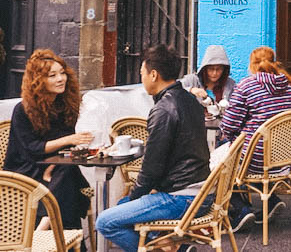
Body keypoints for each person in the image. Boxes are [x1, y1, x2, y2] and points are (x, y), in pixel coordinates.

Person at [96, 45, 211, 252]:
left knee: (105, 222)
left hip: (181, 197)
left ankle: (161, 248)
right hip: (199, 191)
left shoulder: (164, 110)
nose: (142, 79)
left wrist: (136, 196)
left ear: (154, 74)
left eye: (142, 74)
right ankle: (170, 245)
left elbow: (151, 168)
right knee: (123, 205)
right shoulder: (190, 100)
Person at [4, 50, 93, 237]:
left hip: (55, 167)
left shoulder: (65, 105)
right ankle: (51, 230)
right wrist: (68, 141)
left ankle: (42, 229)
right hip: (25, 169)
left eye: (62, 73)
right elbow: (31, 149)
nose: (61, 79)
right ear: (38, 81)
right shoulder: (23, 110)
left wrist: (54, 163)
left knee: (66, 172)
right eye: (52, 75)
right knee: (68, 177)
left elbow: (65, 146)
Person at [221, 45, 291, 229]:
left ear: (251, 66)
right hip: (284, 160)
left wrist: (233, 135)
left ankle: (241, 208)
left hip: (255, 159)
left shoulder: (245, 87)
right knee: (246, 157)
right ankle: (271, 200)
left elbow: (228, 125)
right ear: (275, 63)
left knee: (216, 165)